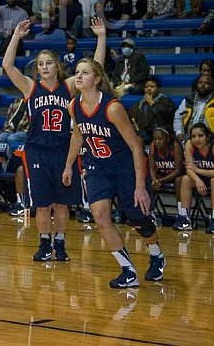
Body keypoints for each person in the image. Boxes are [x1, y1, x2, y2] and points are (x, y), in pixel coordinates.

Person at [3, 17, 107, 262]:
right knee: (42, 205)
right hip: (37, 150)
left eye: (49, 62)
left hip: (63, 150)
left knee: (61, 204)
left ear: (57, 66)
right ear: (37, 69)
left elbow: (96, 67)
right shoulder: (30, 87)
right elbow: (8, 66)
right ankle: (43, 245)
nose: (45, 67)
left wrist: (101, 37)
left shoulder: (69, 86)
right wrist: (16, 37)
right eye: (41, 64)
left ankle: (59, 244)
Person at [62, 58, 165, 288]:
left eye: (85, 72)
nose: (78, 76)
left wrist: (140, 186)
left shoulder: (112, 107)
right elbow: (78, 135)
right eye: (77, 72)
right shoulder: (73, 106)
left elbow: (136, 146)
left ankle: (156, 254)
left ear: (97, 79)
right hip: (97, 166)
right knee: (99, 215)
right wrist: (69, 165)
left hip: (124, 167)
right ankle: (128, 271)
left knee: (138, 219)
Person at [172, 123, 214, 233]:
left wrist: (196, 170)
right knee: (186, 179)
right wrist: (197, 180)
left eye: (200, 136)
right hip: (202, 177)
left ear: (208, 137)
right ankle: (185, 218)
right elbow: (188, 169)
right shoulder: (189, 144)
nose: (197, 139)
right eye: (193, 136)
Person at [174, 73, 214, 142]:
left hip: (212, 138)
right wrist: (179, 133)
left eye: (206, 83)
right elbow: (178, 117)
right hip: (189, 137)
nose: (202, 85)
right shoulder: (188, 100)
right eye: (200, 82)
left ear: (212, 86)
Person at [128, 77, 174, 144]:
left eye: (152, 86)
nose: (149, 88)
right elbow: (132, 118)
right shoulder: (139, 104)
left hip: (162, 134)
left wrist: (151, 103)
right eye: (146, 87)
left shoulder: (166, 101)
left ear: (158, 89)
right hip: (143, 136)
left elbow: (164, 118)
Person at [148, 127, 184, 202]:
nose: (157, 141)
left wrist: (161, 181)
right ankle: (149, 209)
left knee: (179, 180)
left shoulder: (175, 146)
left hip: (175, 176)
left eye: (160, 139)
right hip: (161, 175)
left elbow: (178, 170)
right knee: (147, 179)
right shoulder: (152, 146)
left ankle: (181, 210)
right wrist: (154, 179)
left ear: (168, 139)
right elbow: (151, 168)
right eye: (155, 139)